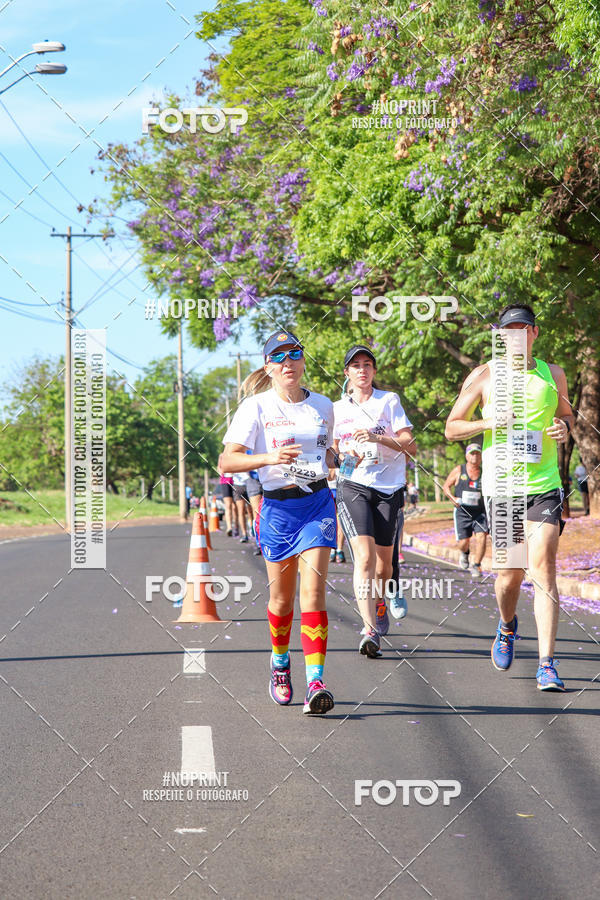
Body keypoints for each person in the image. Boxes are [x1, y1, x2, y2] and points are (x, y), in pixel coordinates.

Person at [445, 303, 573, 690]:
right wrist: (487, 421)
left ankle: (547, 663)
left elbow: (566, 415)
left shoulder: (553, 375)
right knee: (508, 575)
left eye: (523, 330)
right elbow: (452, 428)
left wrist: (563, 429)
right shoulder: (483, 375)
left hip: (543, 485)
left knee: (544, 568)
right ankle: (506, 625)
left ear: (534, 333)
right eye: (508, 332)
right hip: (501, 488)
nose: (516, 337)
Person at [221, 329, 337, 715]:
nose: (288, 362)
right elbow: (228, 462)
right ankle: (280, 662)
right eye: (279, 357)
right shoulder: (255, 408)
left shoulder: (323, 405)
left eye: (295, 354)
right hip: (277, 509)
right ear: (269, 367)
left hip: (317, 502)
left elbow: (326, 451)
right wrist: (270, 459)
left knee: (313, 594)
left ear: (304, 360)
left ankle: (316, 680)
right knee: (281, 599)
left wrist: (339, 457)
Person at [333, 344, 416, 657]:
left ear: (374, 371)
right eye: (356, 365)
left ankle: (381, 599)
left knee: (383, 566)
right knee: (364, 558)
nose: (362, 370)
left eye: (368, 365)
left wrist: (377, 438)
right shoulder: (337, 409)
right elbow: (330, 451)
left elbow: (410, 444)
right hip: (352, 484)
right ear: (347, 373)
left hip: (389, 487)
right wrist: (344, 453)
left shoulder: (389, 401)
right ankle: (369, 629)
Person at [442, 444, 488, 579]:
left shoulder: (485, 472)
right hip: (462, 512)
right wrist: (453, 499)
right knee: (463, 542)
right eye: (472, 453)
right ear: (467, 456)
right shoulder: (459, 470)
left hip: (480, 512)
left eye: (477, 453)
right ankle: (465, 553)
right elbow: (445, 486)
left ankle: (477, 565)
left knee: (482, 536)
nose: (475, 456)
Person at [327, 468, 346, 563]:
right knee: (333, 521)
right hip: (330, 491)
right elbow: (329, 477)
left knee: (341, 521)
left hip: (341, 490)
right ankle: (334, 550)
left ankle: (338, 549)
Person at [217, 459, 236, 536]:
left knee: (235, 507)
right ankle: (229, 527)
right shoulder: (222, 456)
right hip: (225, 481)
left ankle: (236, 526)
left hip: (236, 481)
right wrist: (221, 471)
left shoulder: (237, 453)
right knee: (228, 505)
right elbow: (218, 468)